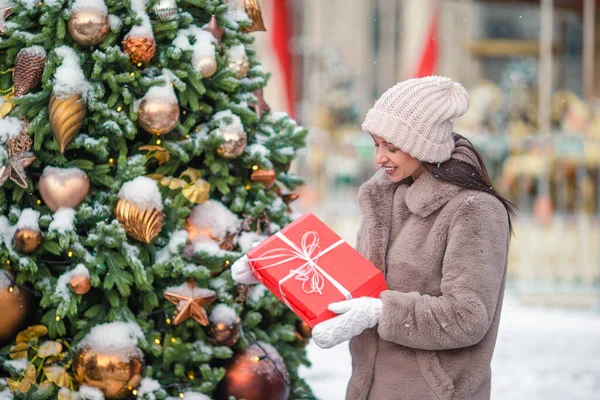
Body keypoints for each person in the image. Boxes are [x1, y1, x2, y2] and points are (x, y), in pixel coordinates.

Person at [232, 76, 516, 400]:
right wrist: (277, 268)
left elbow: (468, 317)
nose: (379, 157)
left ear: (424, 145)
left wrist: (381, 311)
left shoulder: (475, 210)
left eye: (391, 147)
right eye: (377, 143)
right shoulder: (386, 197)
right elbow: (354, 285)